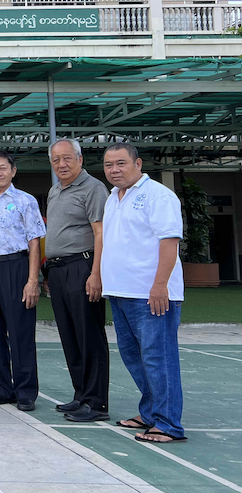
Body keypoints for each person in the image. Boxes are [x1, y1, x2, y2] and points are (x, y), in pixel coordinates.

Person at [100, 143, 187, 444]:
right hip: (120, 292)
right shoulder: (113, 197)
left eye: (121, 163)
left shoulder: (158, 195)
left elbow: (169, 241)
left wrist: (160, 285)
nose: (114, 170)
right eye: (109, 164)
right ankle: (150, 412)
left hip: (151, 294)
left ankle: (168, 424)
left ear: (138, 164)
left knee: (158, 358)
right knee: (134, 357)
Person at [0, 151, 46, 412]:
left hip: (16, 266)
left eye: (3, 168)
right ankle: (4, 388)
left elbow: (34, 242)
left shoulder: (26, 201)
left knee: (20, 332)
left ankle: (26, 392)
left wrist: (33, 280)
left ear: (13, 171)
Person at [45, 138, 110, 423]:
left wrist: (96, 273)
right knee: (70, 336)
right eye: (56, 159)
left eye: (67, 158)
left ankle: (96, 403)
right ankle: (81, 394)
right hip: (59, 270)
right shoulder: (55, 190)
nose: (61, 164)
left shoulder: (93, 188)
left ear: (80, 159)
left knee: (89, 336)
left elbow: (100, 233)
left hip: (83, 267)